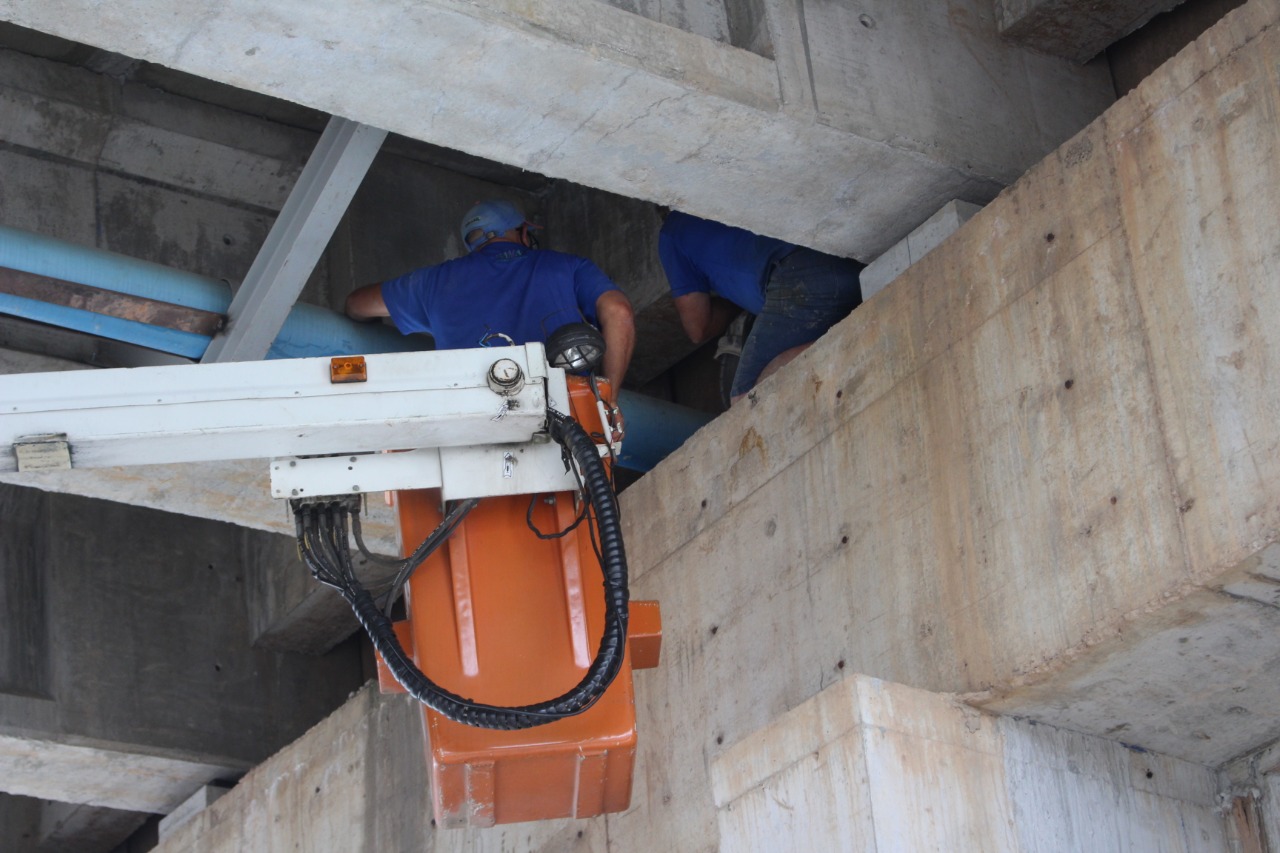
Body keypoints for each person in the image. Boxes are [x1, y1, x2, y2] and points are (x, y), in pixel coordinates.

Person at [345, 200, 635, 390]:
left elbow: (357, 304)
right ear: (522, 234)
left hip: (472, 422)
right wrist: (607, 398)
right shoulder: (566, 266)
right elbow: (618, 312)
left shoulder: (434, 282)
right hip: (567, 411)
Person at [658, 210, 863, 403]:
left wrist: (734, 307)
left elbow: (698, 328)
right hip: (848, 250)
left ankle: (871, 326)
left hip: (802, 276)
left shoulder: (673, 233)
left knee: (747, 399)